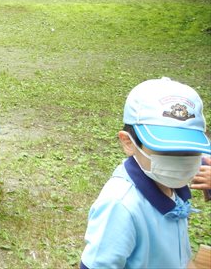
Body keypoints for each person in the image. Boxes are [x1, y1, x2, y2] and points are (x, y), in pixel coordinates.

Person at [80, 77, 211, 269]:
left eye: (190, 150)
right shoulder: (120, 206)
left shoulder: (171, 181)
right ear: (128, 142)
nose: (182, 161)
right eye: (166, 150)